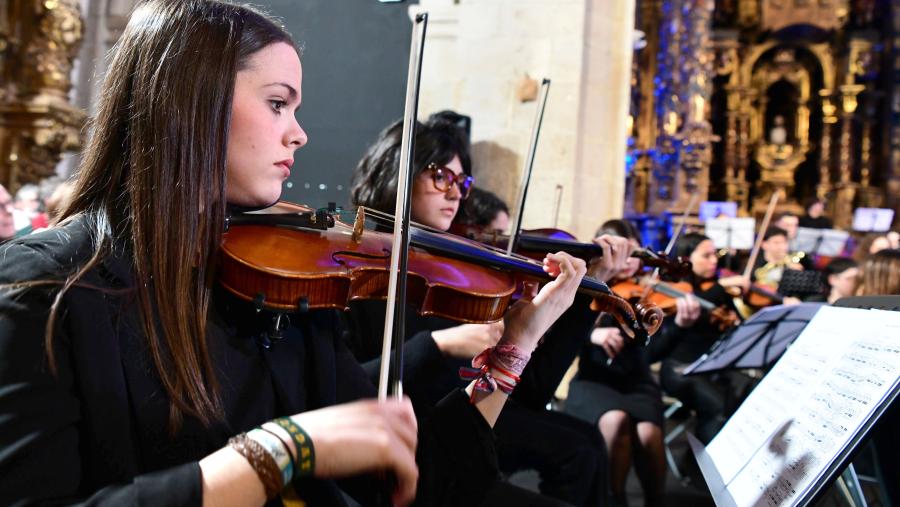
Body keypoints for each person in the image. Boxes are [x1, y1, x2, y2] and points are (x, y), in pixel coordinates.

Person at [0, 2, 589, 506]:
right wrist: (277, 452)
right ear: (191, 104)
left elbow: (417, 483)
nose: (298, 133)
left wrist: (518, 344)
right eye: (278, 103)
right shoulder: (43, 286)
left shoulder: (280, 290)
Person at [350, 117, 632, 506]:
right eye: (439, 176)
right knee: (578, 451)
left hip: (469, 414)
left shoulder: (457, 271)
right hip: (414, 439)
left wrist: (584, 295)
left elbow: (532, 391)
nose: (455, 194)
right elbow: (350, 388)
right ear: (398, 172)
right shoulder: (357, 273)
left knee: (586, 443)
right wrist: (436, 344)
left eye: (461, 182)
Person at [564, 219, 667, 507]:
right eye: (620, 254)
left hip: (637, 380)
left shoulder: (645, 293)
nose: (630, 263)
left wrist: (677, 326)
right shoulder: (585, 287)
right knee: (615, 420)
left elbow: (658, 353)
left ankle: (656, 501)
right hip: (594, 380)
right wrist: (592, 334)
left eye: (634, 254)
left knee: (649, 433)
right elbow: (558, 338)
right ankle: (612, 499)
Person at [649, 233, 745, 444]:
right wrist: (721, 287)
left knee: (747, 396)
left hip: (714, 366)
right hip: (679, 368)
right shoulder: (673, 288)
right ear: (686, 258)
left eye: (714, 255)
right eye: (706, 255)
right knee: (716, 407)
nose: (714, 260)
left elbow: (736, 321)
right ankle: (698, 468)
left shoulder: (715, 289)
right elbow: (698, 303)